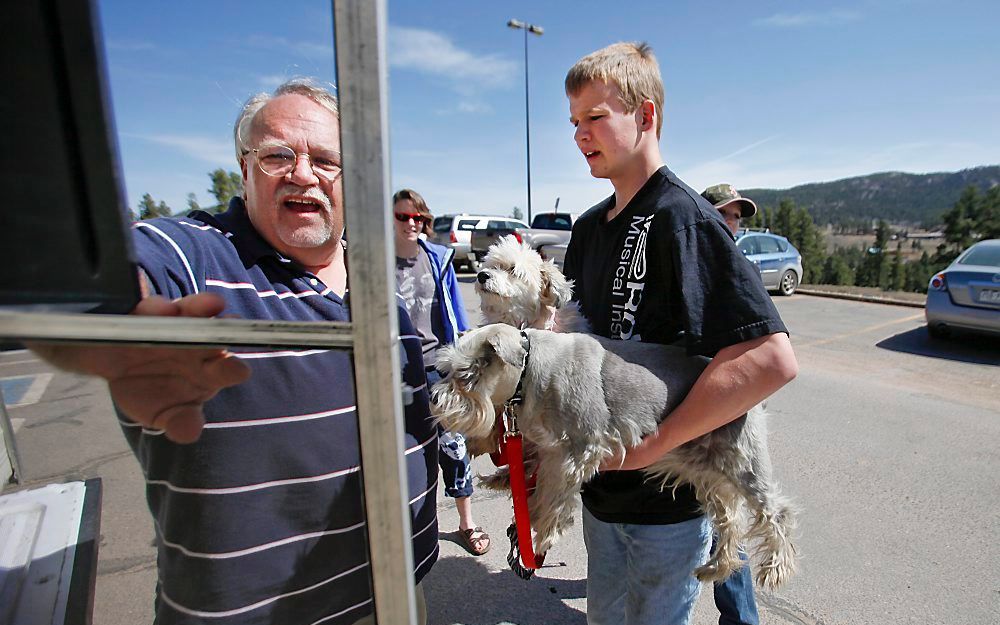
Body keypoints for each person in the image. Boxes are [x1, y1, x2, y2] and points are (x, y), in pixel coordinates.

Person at [29, 79, 438, 625]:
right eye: (277, 156)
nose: (302, 173)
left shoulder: (372, 278)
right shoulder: (196, 255)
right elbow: (100, 281)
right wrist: (116, 323)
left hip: (392, 595)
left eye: (325, 160)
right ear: (244, 169)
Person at [561, 43, 798, 625]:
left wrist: (654, 446)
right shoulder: (589, 230)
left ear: (646, 116)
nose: (580, 134)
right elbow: (574, 351)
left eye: (596, 117)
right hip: (601, 496)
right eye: (574, 122)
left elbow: (770, 359)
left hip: (669, 508)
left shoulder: (683, 216)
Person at [391, 188, 491, 556]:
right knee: (407, 453)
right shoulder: (376, 261)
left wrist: (464, 363)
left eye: (418, 218)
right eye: (403, 217)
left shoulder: (438, 259)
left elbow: (456, 318)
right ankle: (417, 527)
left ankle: (467, 521)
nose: (411, 224)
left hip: (437, 368)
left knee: (454, 448)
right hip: (397, 371)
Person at [700, 183, 763, 625]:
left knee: (725, 515)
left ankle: (741, 620)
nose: (732, 223)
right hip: (685, 401)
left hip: (724, 409)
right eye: (725, 214)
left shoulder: (741, 270)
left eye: (737, 217)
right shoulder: (692, 265)